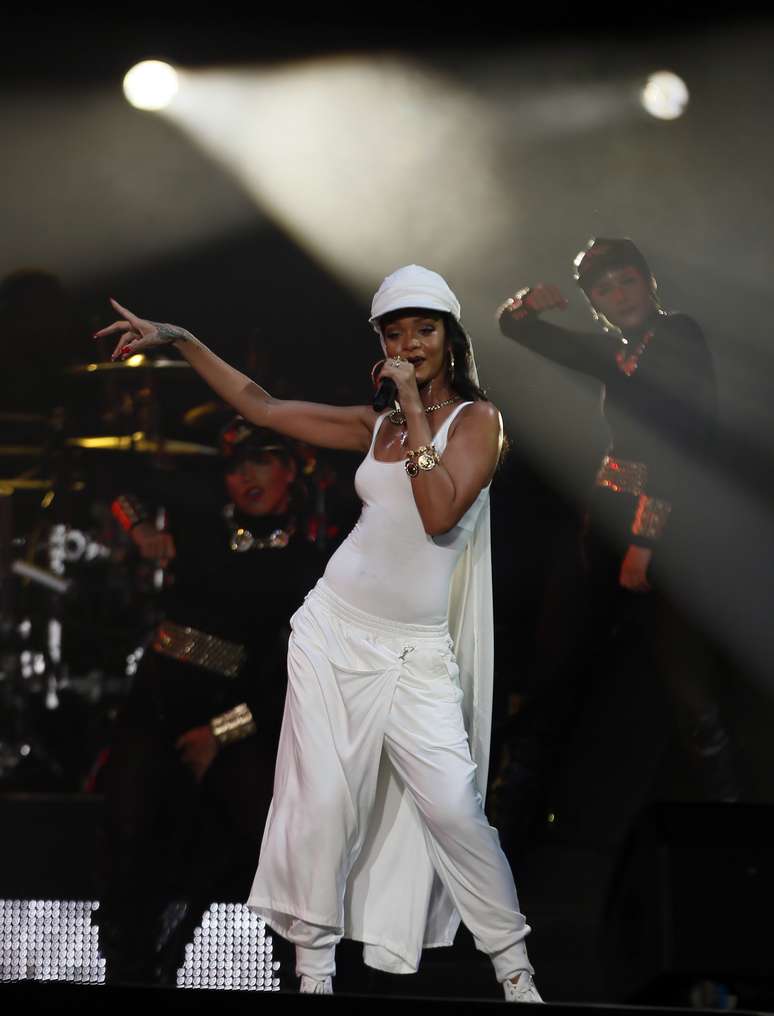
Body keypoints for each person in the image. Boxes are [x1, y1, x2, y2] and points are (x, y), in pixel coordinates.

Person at [94, 265, 542, 1002]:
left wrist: (412, 406)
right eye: (394, 334)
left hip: (415, 652)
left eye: (423, 330)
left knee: (456, 811)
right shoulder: (375, 426)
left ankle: (517, 974)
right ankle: (314, 975)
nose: (409, 345)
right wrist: (180, 339)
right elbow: (261, 406)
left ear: (449, 337)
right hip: (333, 630)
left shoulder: (477, 422)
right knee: (321, 805)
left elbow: (438, 513)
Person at [491, 237, 738, 854]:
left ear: (648, 281)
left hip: (670, 530)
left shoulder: (678, 336)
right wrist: (526, 303)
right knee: (557, 661)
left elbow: (683, 446)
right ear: (594, 303)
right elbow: (517, 330)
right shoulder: (616, 351)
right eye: (603, 290)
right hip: (602, 523)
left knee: (682, 674)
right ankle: (512, 815)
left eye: (626, 281)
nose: (619, 296)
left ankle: (730, 816)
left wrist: (644, 542)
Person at [97, 419, 325, 984]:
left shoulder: (310, 563)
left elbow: (294, 681)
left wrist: (219, 735)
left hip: (238, 714)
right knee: (129, 814)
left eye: (262, 461)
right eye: (235, 466)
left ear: (291, 469)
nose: (247, 476)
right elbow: (114, 475)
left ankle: (294, 970)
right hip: (158, 700)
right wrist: (140, 528)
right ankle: (130, 963)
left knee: (263, 826)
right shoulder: (200, 522)